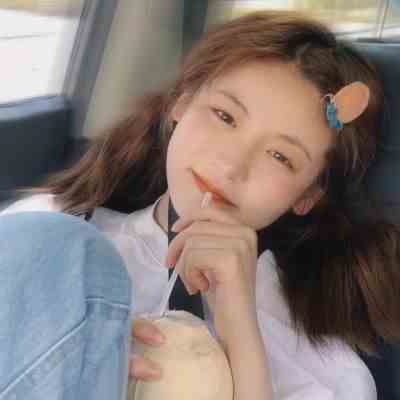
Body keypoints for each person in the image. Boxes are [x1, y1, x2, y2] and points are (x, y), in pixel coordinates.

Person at [1, 9, 400, 399]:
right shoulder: (48, 238)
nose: (232, 165)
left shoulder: (325, 368)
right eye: (225, 116)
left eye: (280, 156)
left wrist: (240, 337)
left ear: (306, 196)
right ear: (182, 101)